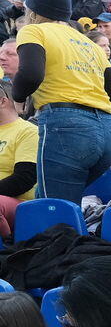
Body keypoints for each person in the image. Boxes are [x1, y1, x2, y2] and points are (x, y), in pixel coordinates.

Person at [13, 0, 111, 201]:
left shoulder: (33, 31)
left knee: (55, 209)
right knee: (59, 204)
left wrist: (18, 99)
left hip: (66, 128)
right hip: (106, 133)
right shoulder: (90, 44)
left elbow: (31, 74)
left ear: (32, 9)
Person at [0, 80, 39, 229]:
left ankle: (7, 242)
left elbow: (24, 179)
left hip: (19, 202)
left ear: (2, 101)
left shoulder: (28, 131)